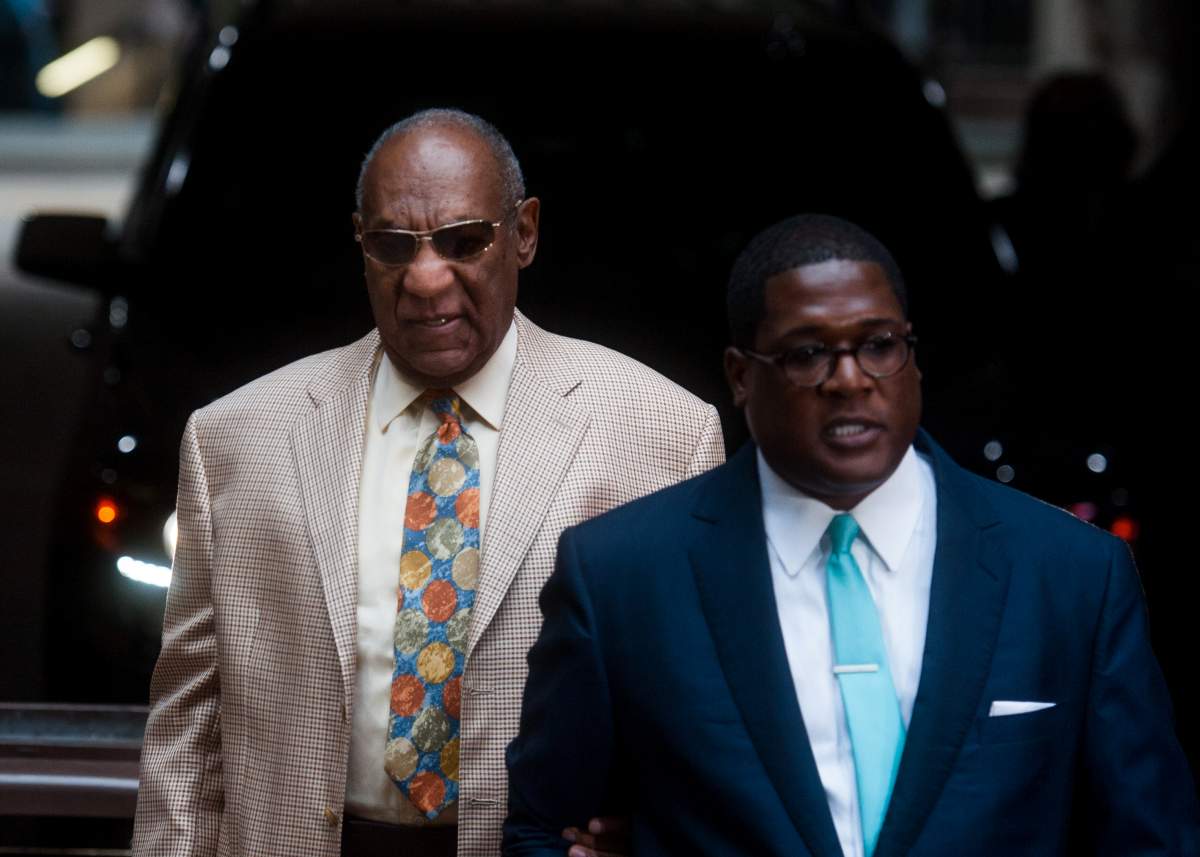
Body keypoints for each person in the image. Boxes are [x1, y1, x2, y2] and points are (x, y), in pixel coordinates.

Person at [503, 214, 1199, 856]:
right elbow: (541, 827)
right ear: (742, 376)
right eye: (807, 354)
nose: (849, 380)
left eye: (877, 346)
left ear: (912, 356)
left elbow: (1147, 836)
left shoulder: (1071, 574)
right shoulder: (622, 576)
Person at [131, 108, 724, 857]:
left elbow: (703, 717)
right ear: (361, 245)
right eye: (392, 246)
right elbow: (189, 726)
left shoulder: (661, 433)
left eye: (463, 240)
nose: (425, 276)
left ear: (526, 233)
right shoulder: (238, 438)